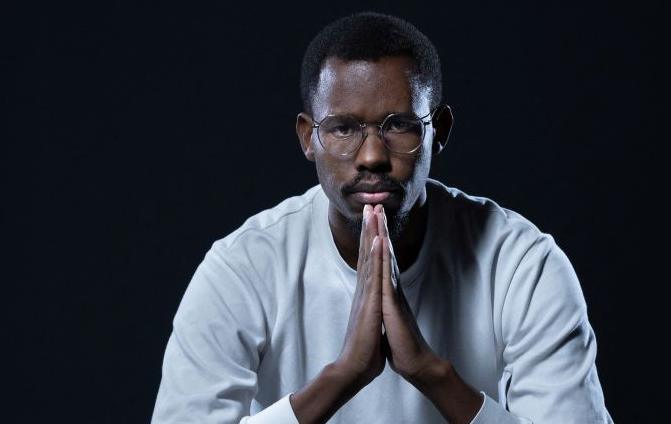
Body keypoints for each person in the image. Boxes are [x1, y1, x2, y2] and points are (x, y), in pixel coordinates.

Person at [152, 12, 613, 424]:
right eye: (343, 128)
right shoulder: (241, 268)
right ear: (308, 137)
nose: (371, 156)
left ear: (440, 132)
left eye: (398, 125)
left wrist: (431, 373)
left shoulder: (521, 266)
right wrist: (341, 377)